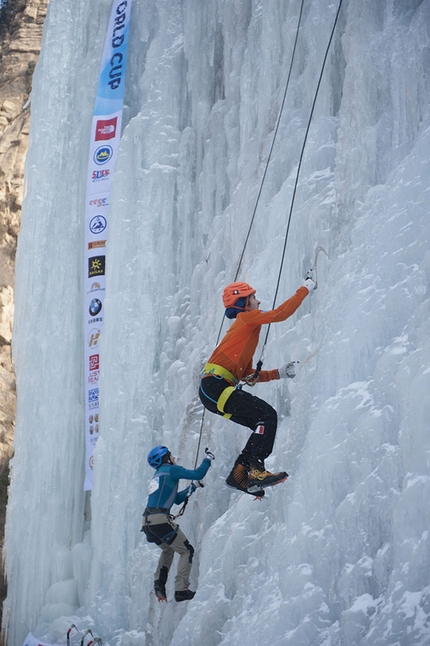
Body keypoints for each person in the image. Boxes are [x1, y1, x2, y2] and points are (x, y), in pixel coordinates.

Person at [199, 273, 315, 494]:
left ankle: (239, 475)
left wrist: (279, 373)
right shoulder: (245, 319)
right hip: (215, 386)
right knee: (267, 415)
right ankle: (255, 471)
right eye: (254, 297)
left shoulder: (246, 331)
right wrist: (305, 288)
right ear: (243, 302)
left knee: (260, 424)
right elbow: (281, 314)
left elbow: (247, 374)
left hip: (213, 390)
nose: (258, 301)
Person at [142, 445, 214, 602]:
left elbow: (176, 499)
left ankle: (159, 585)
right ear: (166, 459)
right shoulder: (171, 469)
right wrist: (208, 458)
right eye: (171, 455)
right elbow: (198, 473)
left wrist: (192, 487)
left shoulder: (159, 475)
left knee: (168, 550)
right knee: (187, 550)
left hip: (148, 523)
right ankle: (181, 590)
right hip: (160, 519)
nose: (174, 457)